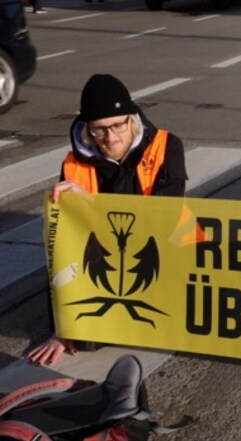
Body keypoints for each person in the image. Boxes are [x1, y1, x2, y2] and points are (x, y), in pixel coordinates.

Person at [26, 73, 187, 366]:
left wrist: (89, 204)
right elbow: (63, 244)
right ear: (87, 129)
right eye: (99, 130)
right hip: (107, 249)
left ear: (132, 118)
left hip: (166, 243)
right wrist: (63, 328)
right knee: (86, 339)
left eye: (117, 125)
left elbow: (165, 215)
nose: (110, 138)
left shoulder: (167, 145)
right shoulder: (73, 161)